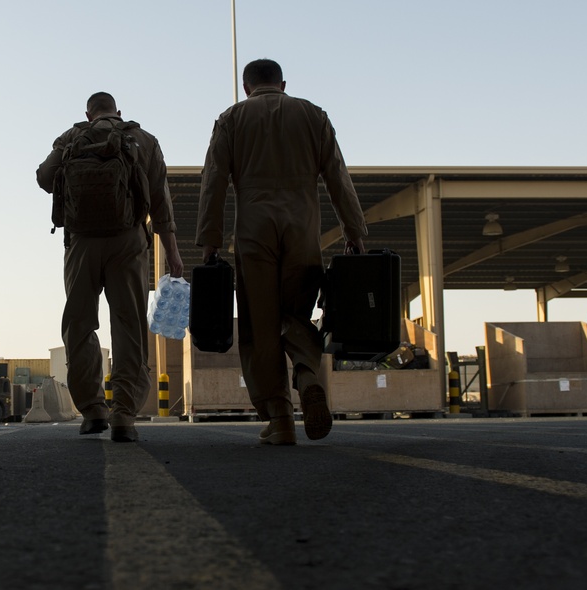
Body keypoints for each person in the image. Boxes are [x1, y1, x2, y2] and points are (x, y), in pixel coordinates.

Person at [196, 59, 367, 445]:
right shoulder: (313, 115)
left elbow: (214, 182)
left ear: (246, 87)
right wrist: (354, 231)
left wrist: (209, 240)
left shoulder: (231, 118)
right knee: (296, 316)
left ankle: (279, 419)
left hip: (254, 230)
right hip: (303, 230)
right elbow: (338, 176)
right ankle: (307, 376)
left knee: (260, 326)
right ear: (283, 84)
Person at [37, 92, 183, 443]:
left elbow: (45, 177)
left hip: (81, 243)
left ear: (88, 114)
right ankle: (124, 415)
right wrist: (173, 254)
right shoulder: (144, 139)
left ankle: (92, 410)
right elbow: (161, 204)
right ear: (119, 112)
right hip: (128, 241)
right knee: (128, 325)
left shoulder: (72, 137)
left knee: (79, 323)